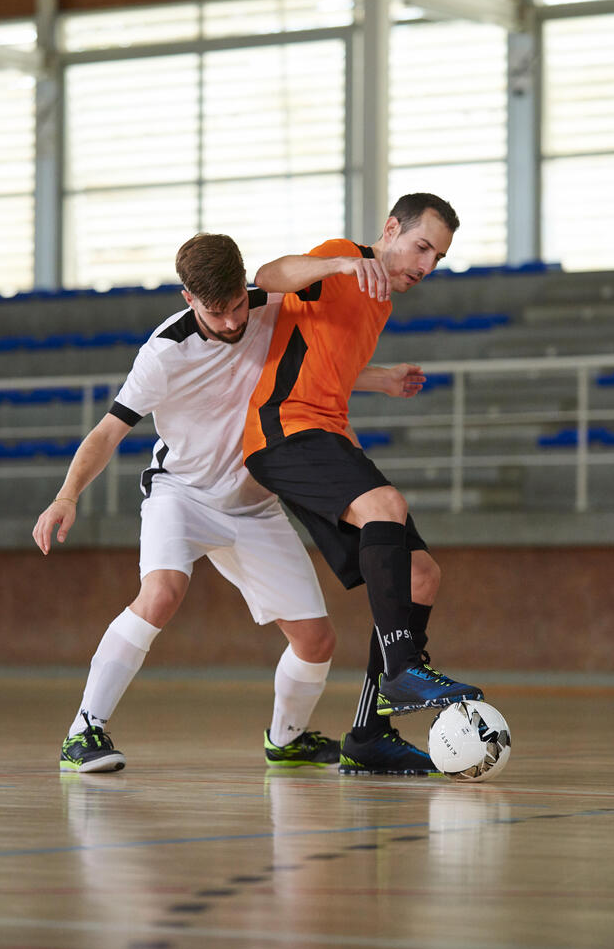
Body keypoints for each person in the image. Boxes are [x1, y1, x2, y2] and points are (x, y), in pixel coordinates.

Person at [33, 233, 342, 774]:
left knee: (317, 640)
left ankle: (287, 740)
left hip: (253, 504)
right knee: (162, 592)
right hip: (182, 494)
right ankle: (84, 731)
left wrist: (380, 379)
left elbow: (312, 362)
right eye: (215, 312)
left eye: (238, 305)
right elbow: (107, 433)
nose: (230, 323)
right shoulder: (163, 354)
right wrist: (66, 495)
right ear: (188, 299)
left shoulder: (269, 309)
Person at [243, 192, 483, 776]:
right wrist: (338, 264)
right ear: (392, 229)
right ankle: (402, 666)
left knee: (422, 574)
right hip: (283, 430)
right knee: (386, 505)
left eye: (438, 258)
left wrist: (380, 379)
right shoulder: (342, 260)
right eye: (422, 247)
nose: (425, 266)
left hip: (329, 434)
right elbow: (266, 276)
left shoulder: (380, 300)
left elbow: (326, 361)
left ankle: (371, 734)